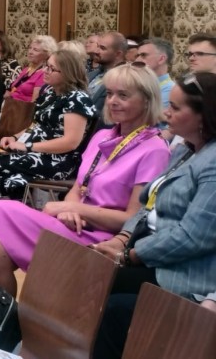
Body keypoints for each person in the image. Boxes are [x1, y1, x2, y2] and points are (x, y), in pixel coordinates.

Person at [0, 64, 170, 296]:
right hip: (72, 225)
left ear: (147, 101)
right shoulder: (103, 136)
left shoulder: (155, 150)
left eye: (123, 95)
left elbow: (133, 219)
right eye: (109, 93)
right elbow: (80, 186)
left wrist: (72, 208)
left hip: (102, 239)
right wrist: (68, 211)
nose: (112, 101)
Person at [90, 72, 216, 358]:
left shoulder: (212, 162)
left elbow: (193, 237)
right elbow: (149, 205)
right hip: (149, 248)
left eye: (176, 108)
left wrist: (130, 255)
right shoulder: (185, 150)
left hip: (181, 269)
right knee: (86, 272)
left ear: (203, 116)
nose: (165, 113)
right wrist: (123, 238)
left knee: (103, 297)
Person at [0, 48, 97, 200]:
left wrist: (27, 146)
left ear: (68, 73)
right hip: (32, 151)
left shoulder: (77, 99)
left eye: (51, 68)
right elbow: (35, 126)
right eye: (46, 66)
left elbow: (70, 142)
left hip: (56, 160)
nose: (45, 71)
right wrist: (15, 138)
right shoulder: (50, 93)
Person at [133, 36, 175, 120]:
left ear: (161, 59)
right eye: (137, 56)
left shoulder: (171, 91)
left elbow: (148, 119)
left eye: (143, 55)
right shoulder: (136, 84)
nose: (137, 60)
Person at [7, 35, 55, 104]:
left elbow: (34, 102)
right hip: (10, 104)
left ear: (46, 54)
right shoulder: (26, 70)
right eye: (30, 48)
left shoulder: (43, 73)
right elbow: (13, 89)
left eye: (35, 50)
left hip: (23, 108)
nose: (30, 52)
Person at [89, 31, 127, 113]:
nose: (96, 51)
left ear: (118, 54)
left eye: (102, 48)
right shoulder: (90, 75)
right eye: (97, 46)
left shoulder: (125, 79)